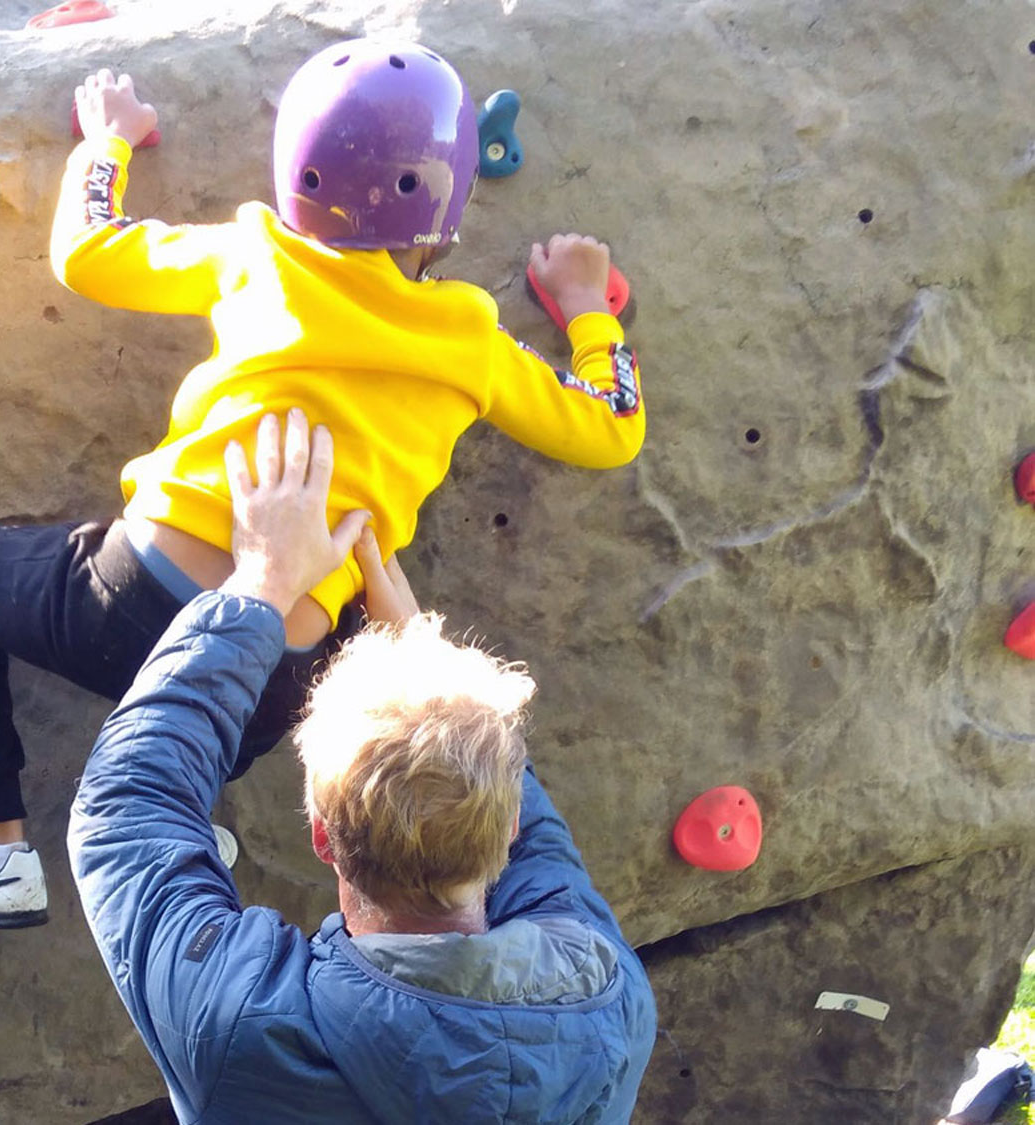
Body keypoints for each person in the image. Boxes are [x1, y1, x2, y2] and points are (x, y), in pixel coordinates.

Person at [0, 38, 646, 929]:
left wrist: (109, 142)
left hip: (131, 599)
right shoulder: (472, 342)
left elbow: (89, 252)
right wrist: (589, 310)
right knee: (343, 634)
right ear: (447, 207)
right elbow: (609, 427)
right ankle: (185, 814)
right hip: (276, 674)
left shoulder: (258, 255)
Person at [69, 410, 656, 1123]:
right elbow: (541, 851)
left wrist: (261, 582)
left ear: (322, 835)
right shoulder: (608, 998)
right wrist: (429, 668)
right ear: (504, 830)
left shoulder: (244, 1029)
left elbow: (126, 806)